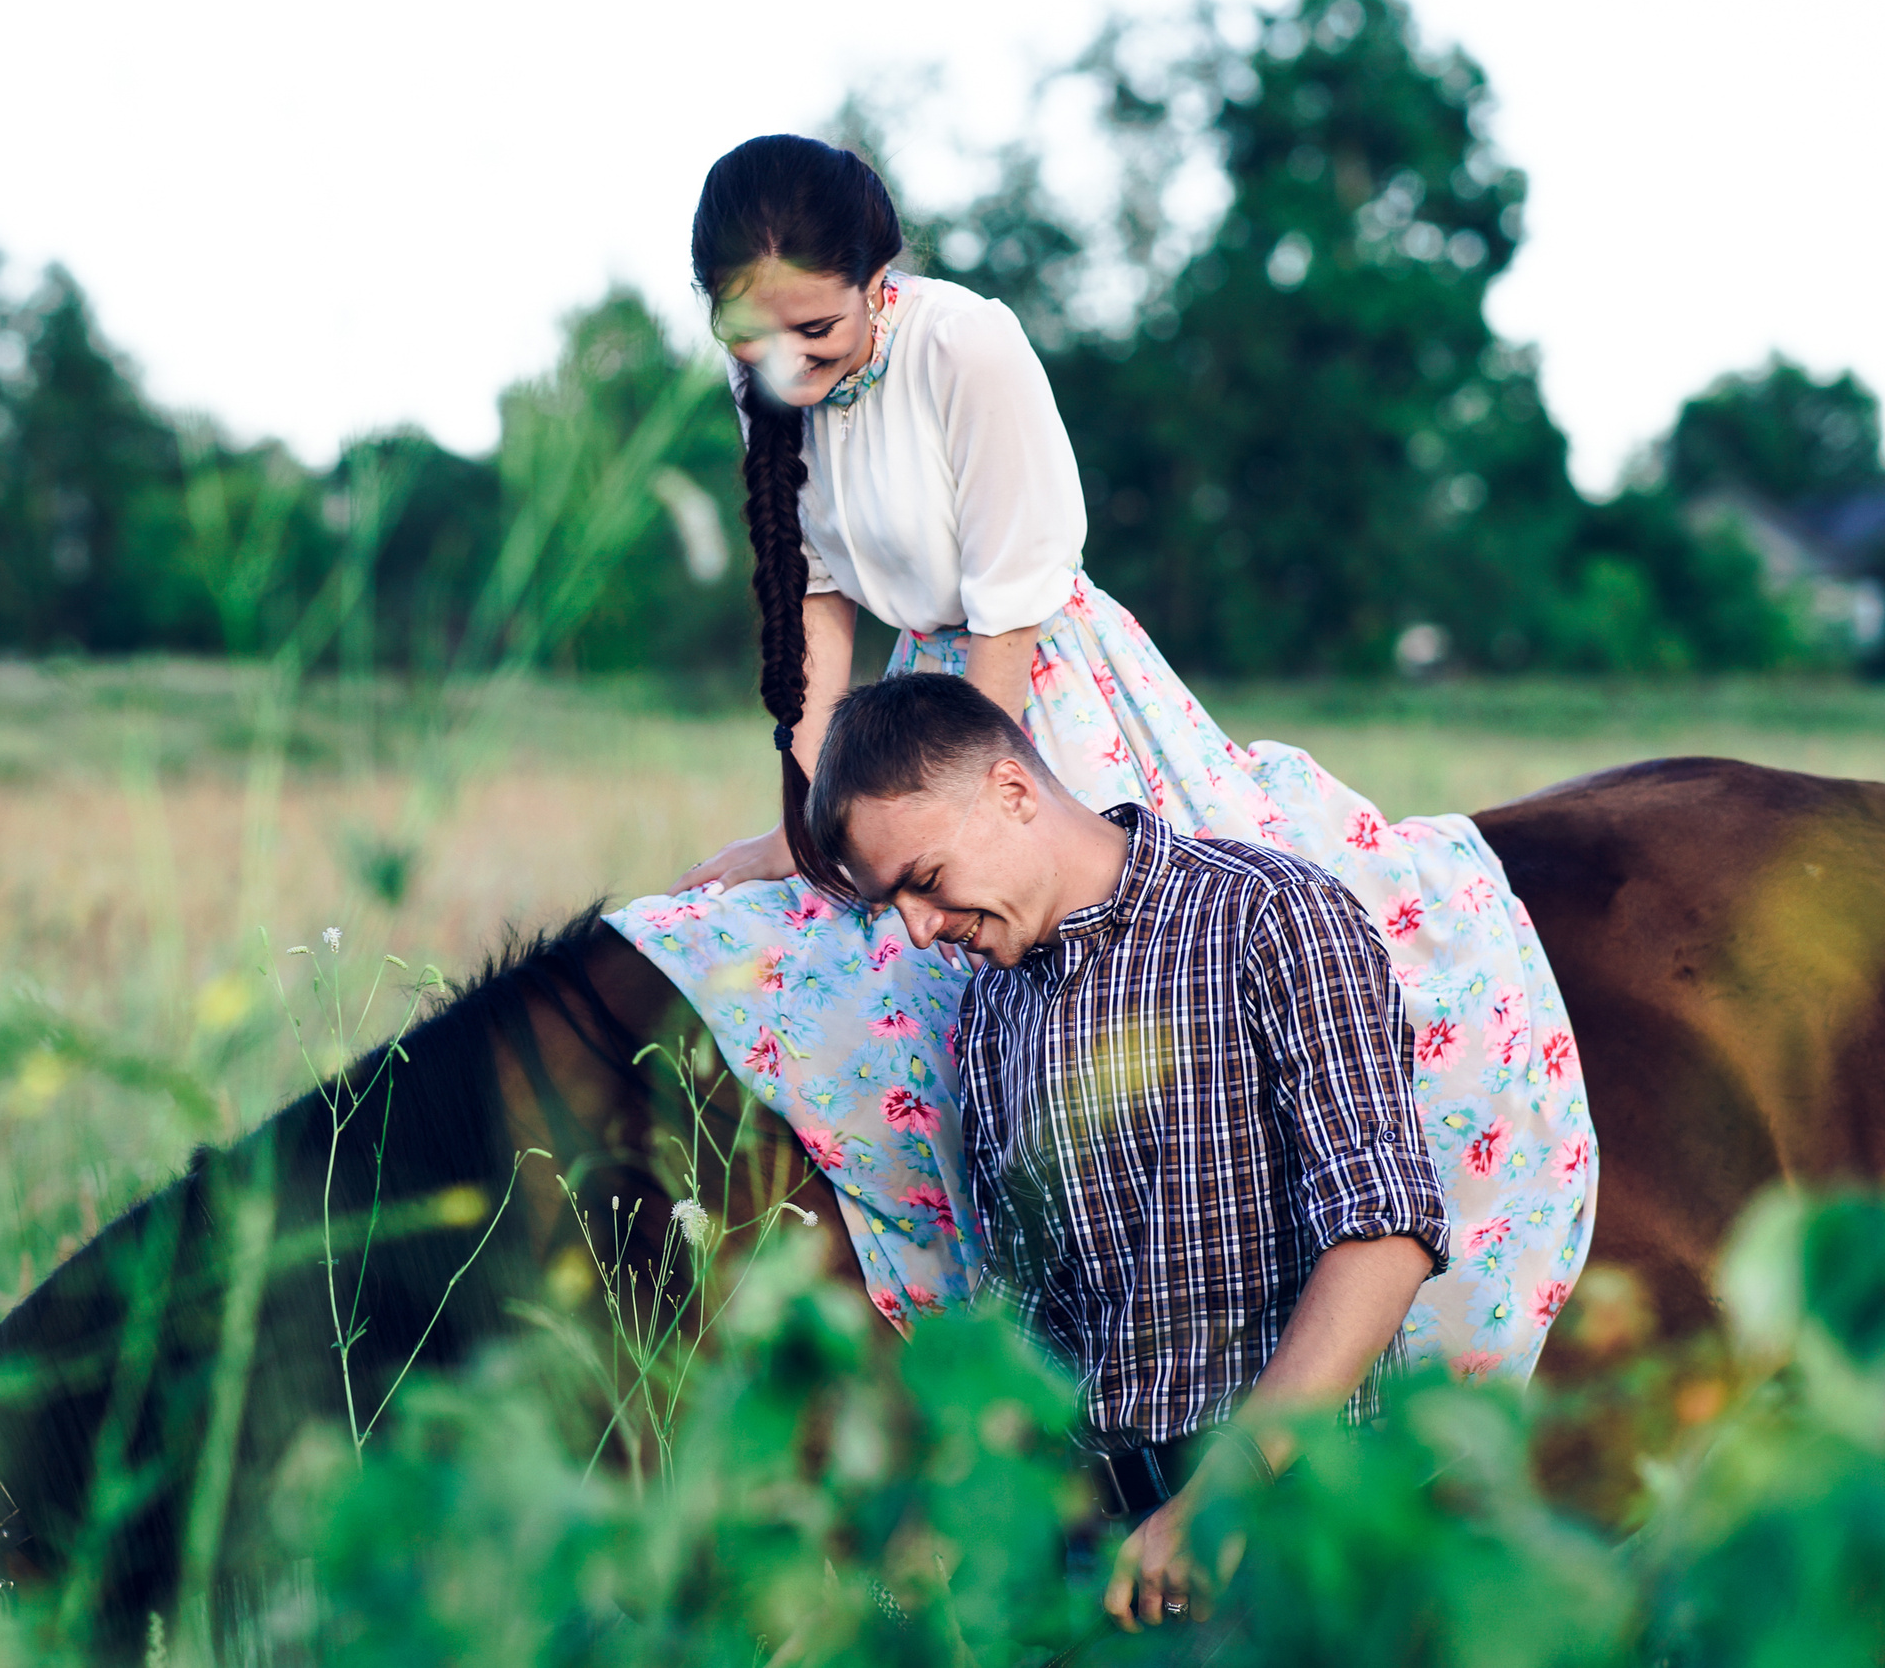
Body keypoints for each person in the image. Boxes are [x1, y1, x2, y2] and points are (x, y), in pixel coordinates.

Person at [602, 133, 1595, 1378]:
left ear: (877, 277)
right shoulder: (767, 376)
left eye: (816, 328)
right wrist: (805, 825)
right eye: (757, 339)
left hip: (1025, 691)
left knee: (1154, 962)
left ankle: (1299, 1298)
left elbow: (1006, 613)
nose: (789, 362)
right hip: (912, 702)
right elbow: (812, 607)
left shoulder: (966, 347)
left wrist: (959, 802)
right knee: (862, 966)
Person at [808, 672, 1448, 1630]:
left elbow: (1384, 1230)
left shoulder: (1268, 917)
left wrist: (1227, 1487)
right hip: (1104, 1564)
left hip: (1286, 1529)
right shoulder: (994, 1011)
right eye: (889, 903)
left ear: (1012, 791)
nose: (920, 928)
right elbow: (1036, 1322)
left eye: (925, 880)